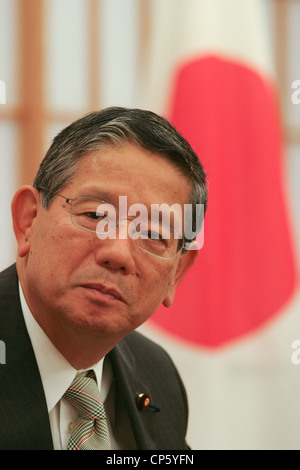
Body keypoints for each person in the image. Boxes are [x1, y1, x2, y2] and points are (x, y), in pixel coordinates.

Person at [0, 107, 207, 450]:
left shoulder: (158, 376)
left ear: (178, 272)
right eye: (96, 214)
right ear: (29, 221)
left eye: (154, 233)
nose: (118, 253)